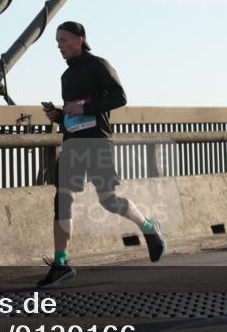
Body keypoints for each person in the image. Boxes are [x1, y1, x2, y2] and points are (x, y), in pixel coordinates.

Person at [37, 21, 166, 288]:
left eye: (64, 40)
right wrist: (59, 115)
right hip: (73, 143)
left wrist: (85, 109)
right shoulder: (66, 77)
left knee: (108, 200)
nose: (59, 46)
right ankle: (61, 263)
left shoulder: (98, 65)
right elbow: (74, 114)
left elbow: (119, 97)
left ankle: (149, 228)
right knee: (62, 198)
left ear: (79, 40)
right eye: (57, 42)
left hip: (97, 143)